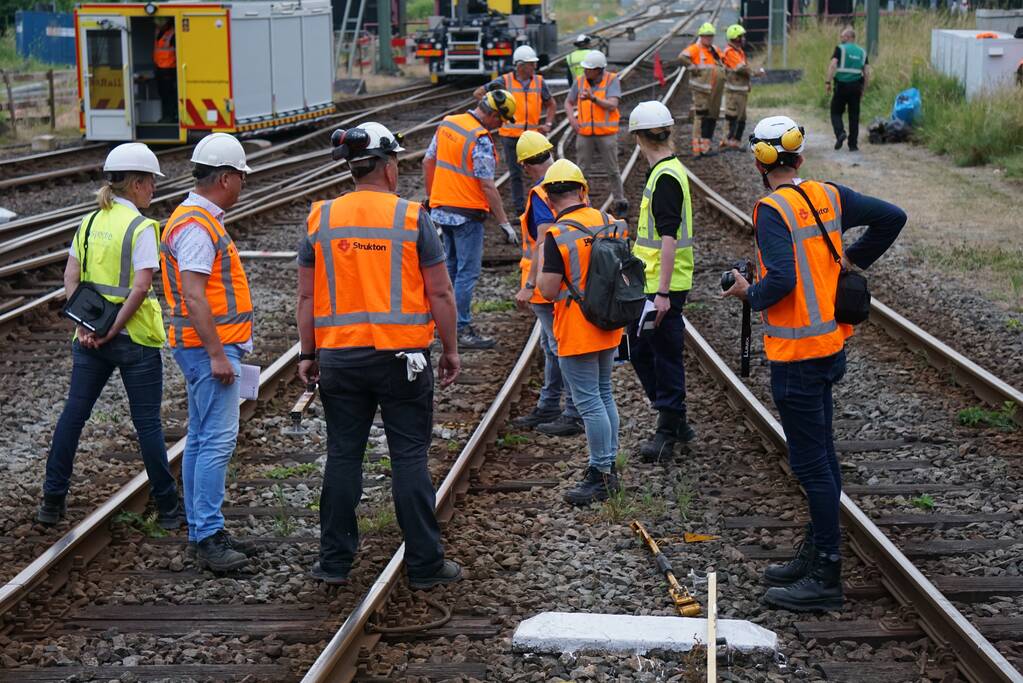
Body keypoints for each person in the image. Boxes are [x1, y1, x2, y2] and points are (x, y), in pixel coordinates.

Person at [722, 115, 905, 611]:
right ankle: (816, 553)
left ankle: (825, 574)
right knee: (822, 457)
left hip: (798, 357)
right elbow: (893, 216)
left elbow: (779, 281)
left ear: (761, 163)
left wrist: (747, 292)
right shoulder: (827, 194)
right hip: (829, 348)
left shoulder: (771, 210)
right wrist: (853, 260)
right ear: (798, 156)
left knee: (811, 466)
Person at [296, 122, 463, 589]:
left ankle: (333, 563)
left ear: (352, 169)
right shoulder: (411, 217)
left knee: (343, 457)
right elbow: (441, 292)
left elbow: (306, 299)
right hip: (403, 359)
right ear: (389, 166)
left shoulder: (321, 219)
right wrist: (450, 349)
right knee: (408, 457)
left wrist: (307, 353)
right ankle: (426, 566)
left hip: (341, 361)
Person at [37, 144, 183, 529]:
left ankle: (52, 502)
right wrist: (113, 328)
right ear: (135, 184)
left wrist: (86, 326)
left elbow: (70, 277)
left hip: (88, 340)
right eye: (151, 181)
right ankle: (169, 510)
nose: (154, 188)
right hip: (133, 339)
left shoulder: (88, 222)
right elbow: (139, 288)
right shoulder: (140, 228)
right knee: (148, 423)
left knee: (73, 415)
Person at [160, 133, 256, 573]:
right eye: (240, 177)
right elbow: (196, 296)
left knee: (200, 439)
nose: (242, 185)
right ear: (224, 177)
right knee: (216, 441)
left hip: (202, 347)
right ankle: (209, 536)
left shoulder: (194, 217)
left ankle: (204, 529)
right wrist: (219, 354)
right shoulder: (198, 225)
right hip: (208, 349)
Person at [536, 160, 626, 505]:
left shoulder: (557, 235)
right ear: (583, 190)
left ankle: (601, 473)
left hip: (576, 327)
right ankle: (608, 467)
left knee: (589, 402)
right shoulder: (611, 223)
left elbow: (546, 289)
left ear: (547, 197)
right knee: (604, 394)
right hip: (609, 321)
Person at [626, 101, 697, 463]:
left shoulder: (666, 176)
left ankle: (668, 427)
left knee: (663, 353)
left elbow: (668, 238)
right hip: (652, 280)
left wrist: (664, 293)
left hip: (662, 284)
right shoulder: (665, 171)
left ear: (640, 138)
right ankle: (675, 417)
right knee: (640, 347)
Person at [424, 90, 519, 351]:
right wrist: (504, 223)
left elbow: (428, 160)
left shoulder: (448, 124)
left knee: (451, 269)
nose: (500, 126)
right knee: (467, 272)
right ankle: (461, 327)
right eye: (501, 120)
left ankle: (443, 326)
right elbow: (487, 186)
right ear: (490, 114)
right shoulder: (480, 139)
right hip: (467, 215)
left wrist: (433, 198)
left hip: (443, 210)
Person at [510, 131, 583, 438]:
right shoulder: (571, 182)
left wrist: (528, 284)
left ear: (527, 164)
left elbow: (542, 240)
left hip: (545, 280)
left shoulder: (541, 194)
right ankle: (551, 403)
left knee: (557, 346)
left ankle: (572, 411)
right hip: (570, 276)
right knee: (551, 347)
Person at [473, 45, 557, 216]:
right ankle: (520, 208)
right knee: (515, 174)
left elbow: (551, 104)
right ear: (520, 65)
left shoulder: (539, 81)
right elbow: (478, 93)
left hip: (532, 137)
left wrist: (548, 124)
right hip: (510, 136)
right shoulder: (504, 81)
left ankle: (549, 201)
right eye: (531, 64)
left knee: (542, 171)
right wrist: (492, 99)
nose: (534, 67)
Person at [564, 50, 629, 217]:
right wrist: (572, 119)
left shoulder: (611, 80)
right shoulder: (579, 82)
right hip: (585, 133)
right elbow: (569, 102)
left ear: (599, 69)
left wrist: (593, 99)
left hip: (606, 134)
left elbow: (612, 104)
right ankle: (577, 202)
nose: (585, 72)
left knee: (612, 169)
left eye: (589, 69)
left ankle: (620, 200)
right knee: (581, 170)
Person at [678, 23, 725, 157]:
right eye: (706, 36)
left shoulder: (714, 49)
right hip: (701, 90)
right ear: (701, 36)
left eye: (711, 36)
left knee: (711, 117)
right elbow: (682, 56)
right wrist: (692, 67)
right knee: (701, 116)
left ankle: (706, 147)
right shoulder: (695, 48)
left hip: (713, 90)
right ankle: (697, 149)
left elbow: (723, 60)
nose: (709, 39)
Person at [720, 24, 765, 151]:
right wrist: (757, 72)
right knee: (732, 116)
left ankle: (735, 141)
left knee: (741, 118)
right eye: (741, 36)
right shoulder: (730, 52)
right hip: (733, 91)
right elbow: (741, 69)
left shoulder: (739, 52)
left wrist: (748, 83)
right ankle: (727, 140)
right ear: (735, 38)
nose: (744, 38)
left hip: (740, 90)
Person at [826, 26, 870, 151]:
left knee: (835, 112)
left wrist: (828, 82)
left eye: (843, 37)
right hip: (856, 86)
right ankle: (853, 145)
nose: (841, 39)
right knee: (854, 115)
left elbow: (833, 65)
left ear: (849, 37)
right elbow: (866, 72)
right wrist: (864, 89)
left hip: (841, 86)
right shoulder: (862, 52)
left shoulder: (840, 49)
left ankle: (840, 133)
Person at [153, 18, 178, 123]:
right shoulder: (159, 32)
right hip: (159, 68)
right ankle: (167, 116)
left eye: (160, 22)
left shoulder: (172, 34)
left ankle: (170, 116)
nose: (158, 24)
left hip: (169, 70)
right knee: (163, 94)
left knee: (169, 95)